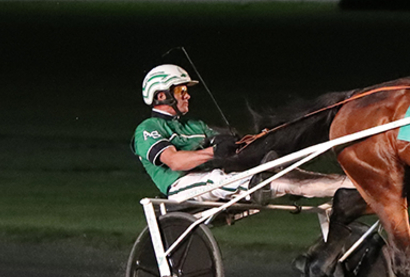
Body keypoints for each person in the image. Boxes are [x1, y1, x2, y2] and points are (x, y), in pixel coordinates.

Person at [133, 64, 353, 203]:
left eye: (187, 91)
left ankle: (351, 186)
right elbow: (174, 161)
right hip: (181, 187)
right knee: (218, 179)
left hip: (217, 177)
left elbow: (232, 145)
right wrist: (214, 152)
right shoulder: (148, 129)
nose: (187, 96)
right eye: (181, 91)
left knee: (293, 176)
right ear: (161, 96)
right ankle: (255, 184)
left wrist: (258, 140)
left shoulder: (194, 125)